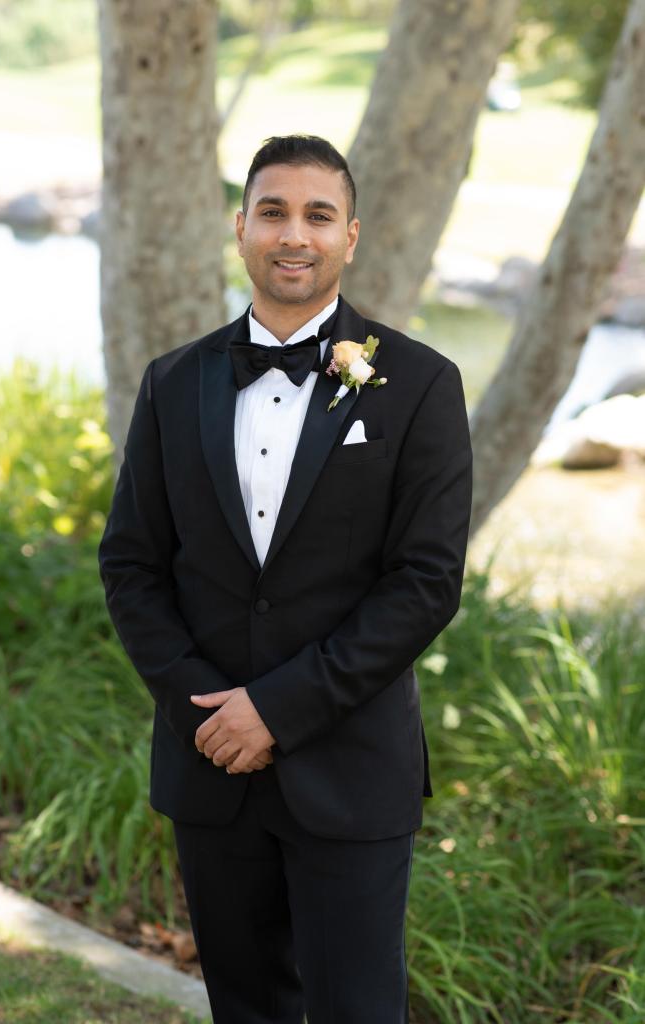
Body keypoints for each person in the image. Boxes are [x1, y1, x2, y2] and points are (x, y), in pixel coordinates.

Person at [98, 133, 473, 1024]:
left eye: (317, 215)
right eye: (272, 212)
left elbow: (425, 583)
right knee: (245, 1008)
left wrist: (276, 710)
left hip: (350, 769)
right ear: (241, 229)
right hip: (210, 766)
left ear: (351, 236)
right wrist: (206, 710)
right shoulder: (172, 383)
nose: (293, 234)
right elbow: (133, 565)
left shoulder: (420, 384)